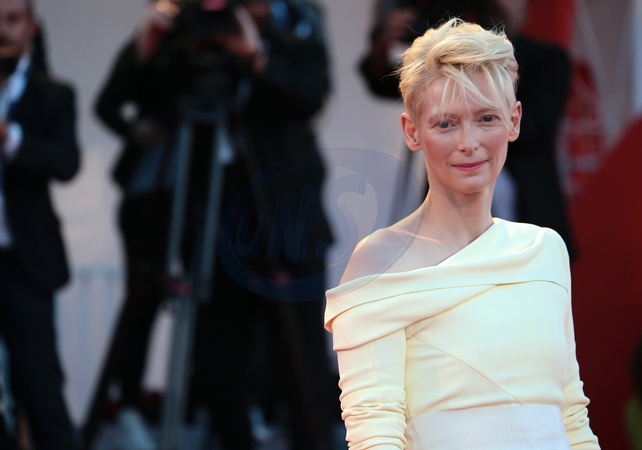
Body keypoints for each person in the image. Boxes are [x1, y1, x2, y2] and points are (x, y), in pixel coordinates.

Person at [324, 18, 600, 449]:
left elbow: (571, 416)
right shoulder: (380, 260)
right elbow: (374, 432)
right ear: (412, 131)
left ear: (514, 120)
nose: (469, 142)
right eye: (446, 124)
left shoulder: (544, 250)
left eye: (486, 118)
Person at [92, 0, 338, 449]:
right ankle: (227, 435)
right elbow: (122, 100)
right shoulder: (182, 33)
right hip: (210, 208)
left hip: (284, 208)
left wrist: (255, 54)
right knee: (220, 352)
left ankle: (313, 437)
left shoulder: (295, 28)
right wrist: (149, 44)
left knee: (298, 351)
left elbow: (309, 95)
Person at [0, 0, 81, 449]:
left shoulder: (53, 95)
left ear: (30, 27)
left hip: (25, 262)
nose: (2, 31)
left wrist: (11, 139)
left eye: (12, 20)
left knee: (39, 386)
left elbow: (66, 162)